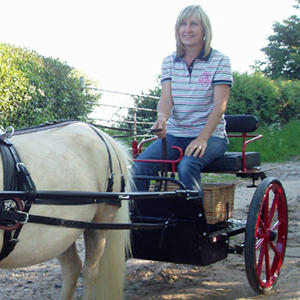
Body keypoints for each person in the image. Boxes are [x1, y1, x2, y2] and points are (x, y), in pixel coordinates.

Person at [133, 4, 233, 198]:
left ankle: (195, 224)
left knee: (187, 165)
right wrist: (162, 118)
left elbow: (220, 106)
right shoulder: (169, 61)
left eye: (194, 24)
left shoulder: (220, 61)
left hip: (212, 136)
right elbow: (166, 99)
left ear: (204, 29)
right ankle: (142, 220)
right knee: (140, 167)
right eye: (183, 24)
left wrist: (202, 138)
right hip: (175, 134)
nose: (187, 29)